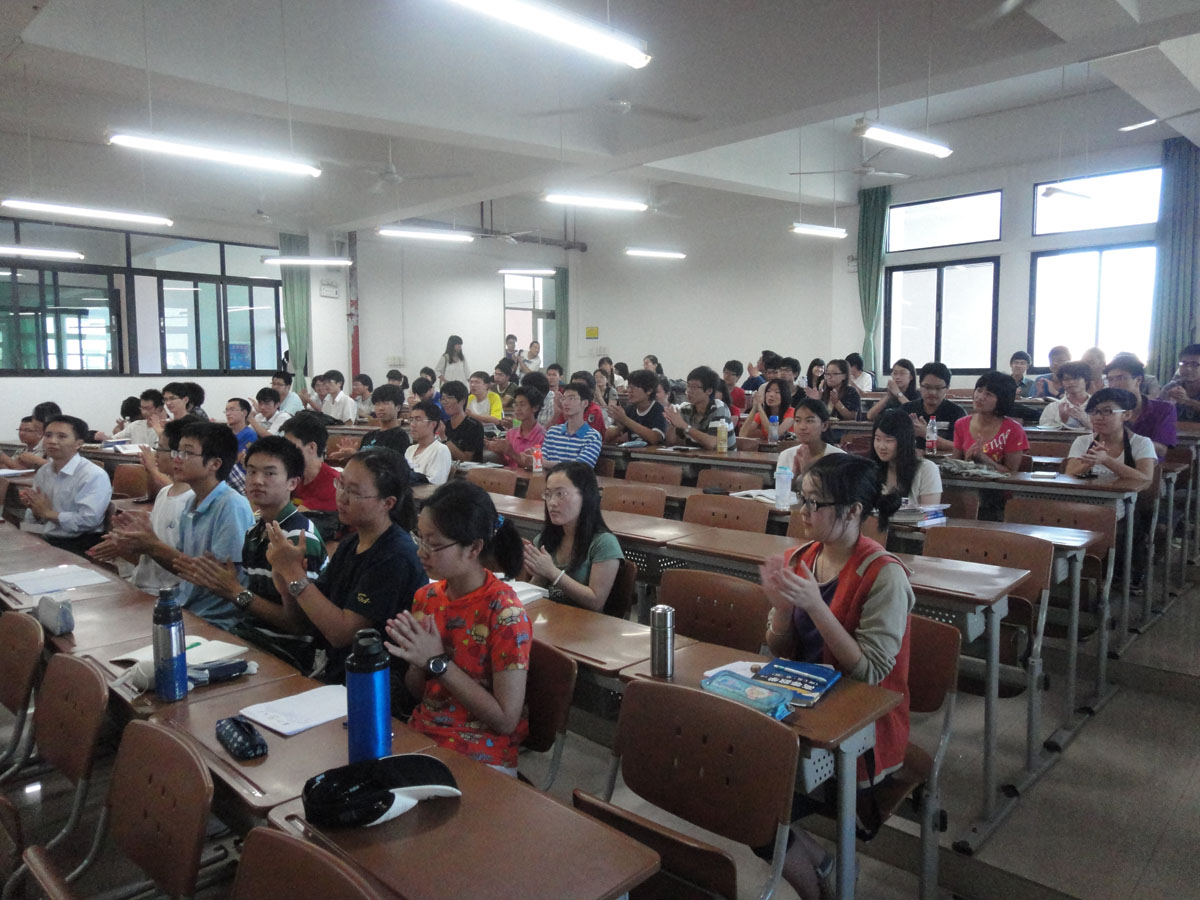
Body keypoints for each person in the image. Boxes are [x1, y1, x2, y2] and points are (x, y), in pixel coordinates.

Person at [760, 453, 913, 899]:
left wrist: (814, 606)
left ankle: (819, 888)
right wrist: (783, 611)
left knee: (750, 798)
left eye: (815, 503)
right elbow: (781, 649)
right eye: (803, 500)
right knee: (733, 777)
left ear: (853, 511)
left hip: (861, 725)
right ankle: (822, 863)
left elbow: (870, 673)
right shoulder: (802, 557)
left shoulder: (884, 575)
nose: (803, 512)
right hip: (804, 706)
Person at [384, 480, 531, 772]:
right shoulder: (426, 597)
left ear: (473, 547)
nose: (421, 552)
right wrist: (417, 662)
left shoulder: (505, 613)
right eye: (419, 538)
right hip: (423, 735)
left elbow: (505, 720)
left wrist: (437, 662)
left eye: (434, 544)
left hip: (483, 753)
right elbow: (420, 694)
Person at [270, 447, 426, 690]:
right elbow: (304, 623)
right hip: (336, 675)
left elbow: (342, 634)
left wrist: (294, 574)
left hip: (374, 686)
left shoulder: (396, 555)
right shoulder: (352, 543)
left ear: (387, 503)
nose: (341, 497)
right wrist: (285, 582)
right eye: (340, 485)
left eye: (353, 492)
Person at [175, 435, 327, 670]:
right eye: (251, 472)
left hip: (284, 653)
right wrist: (230, 589)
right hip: (247, 638)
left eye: (270, 473)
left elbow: (299, 626)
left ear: (292, 483)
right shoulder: (254, 532)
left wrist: (234, 591)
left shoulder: (299, 538)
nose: (257, 480)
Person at [111, 421, 255, 628]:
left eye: (187, 453)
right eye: (177, 451)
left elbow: (215, 578)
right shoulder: (193, 502)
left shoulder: (231, 505)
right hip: (186, 607)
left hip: (216, 619)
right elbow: (181, 566)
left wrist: (152, 545)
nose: (177, 458)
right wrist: (142, 545)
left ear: (214, 464)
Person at [90, 416, 196, 591]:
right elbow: (149, 547)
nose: (155, 454)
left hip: (167, 592)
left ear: (178, 455)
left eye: (159, 448)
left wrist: (146, 545)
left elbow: (184, 564)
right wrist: (128, 543)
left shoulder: (194, 501)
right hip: (142, 583)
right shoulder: (165, 492)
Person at [524, 462, 624, 612]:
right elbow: (538, 589)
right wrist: (537, 574)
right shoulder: (545, 539)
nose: (552, 503)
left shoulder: (604, 543)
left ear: (585, 496)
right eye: (548, 494)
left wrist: (552, 572)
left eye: (561, 494)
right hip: (551, 618)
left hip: (587, 623)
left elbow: (596, 602)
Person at [19, 415, 111, 555]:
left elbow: (88, 520)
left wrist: (48, 513)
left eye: (61, 436)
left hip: (80, 543)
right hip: (47, 537)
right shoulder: (44, 472)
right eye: (48, 435)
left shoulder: (93, 475)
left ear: (78, 444)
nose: (52, 441)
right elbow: (35, 516)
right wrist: (34, 508)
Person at [953, 371, 1028, 474]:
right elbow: (955, 464)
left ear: (1002, 400)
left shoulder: (1014, 430)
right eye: (979, 390)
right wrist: (967, 462)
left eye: (988, 394)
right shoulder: (961, 424)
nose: (980, 397)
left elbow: (1012, 472)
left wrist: (983, 459)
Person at [1104, 353, 1176, 458]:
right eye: (1111, 380)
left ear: (1138, 380)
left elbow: (1161, 450)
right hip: (1112, 463)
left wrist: (1123, 435)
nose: (1114, 385)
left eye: (1121, 378)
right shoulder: (1106, 410)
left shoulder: (1164, 409)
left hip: (1150, 465)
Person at [870, 409, 942, 505]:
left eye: (888, 440)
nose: (881, 446)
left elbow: (930, 512)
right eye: (877, 439)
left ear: (904, 441)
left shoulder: (927, 469)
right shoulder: (870, 469)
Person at [280, 416, 339, 529]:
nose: (285, 453)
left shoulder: (334, 486)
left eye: (291, 447)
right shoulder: (292, 476)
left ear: (312, 447)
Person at [664, 365, 735, 450]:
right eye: (688, 385)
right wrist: (672, 423)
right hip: (696, 457)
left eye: (694, 387)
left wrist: (684, 426)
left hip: (722, 458)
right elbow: (671, 442)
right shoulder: (686, 409)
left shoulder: (719, 408)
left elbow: (712, 444)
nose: (689, 390)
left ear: (709, 391)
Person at [902, 362, 966, 454]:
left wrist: (927, 434)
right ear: (920, 385)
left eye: (938, 388)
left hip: (945, 461)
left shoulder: (957, 413)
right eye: (927, 387)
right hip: (912, 460)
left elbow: (961, 447)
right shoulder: (907, 409)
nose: (932, 392)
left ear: (947, 388)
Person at [778, 398, 844, 477]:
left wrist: (806, 472)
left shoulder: (839, 458)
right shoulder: (786, 455)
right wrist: (794, 475)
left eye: (809, 421)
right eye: (797, 420)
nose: (802, 427)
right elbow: (781, 485)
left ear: (824, 426)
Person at [542, 381, 603, 467]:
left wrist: (545, 463)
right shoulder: (552, 432)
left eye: (571, 398)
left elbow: (581, 468)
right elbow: (541, 460)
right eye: (563, 398)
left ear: (585, 403)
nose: (565, 403)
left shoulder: (592, 437)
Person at [485, 386, 546, 469]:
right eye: (516, 404)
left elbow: (534, 466)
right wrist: (499, 451)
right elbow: (507, 463)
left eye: (522, 405)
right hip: (509, 474)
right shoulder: (511, 433)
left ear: (535, 407)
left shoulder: (542, 435)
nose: (517, 409)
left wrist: (511, 452)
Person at [605, 369, 667, 445]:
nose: (629, 391)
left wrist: (625, 420)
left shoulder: (659, 410)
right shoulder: (628, 410)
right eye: (628, 387)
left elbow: (655, 439)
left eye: (633, 388)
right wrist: (619, 428)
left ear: (649, 391)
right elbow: (607, 437)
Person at [405, 400, 454, 485]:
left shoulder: (440, 450)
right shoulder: (410, 450)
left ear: (433, 424)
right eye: (411, 420)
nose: (412, 424)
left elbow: (435, 485)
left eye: (418, 419)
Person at [95, 389, 165, 444]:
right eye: (142, 408)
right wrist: (103, 437)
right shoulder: (135, 425)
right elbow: (114, 440)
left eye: (148, 408)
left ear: (159, 408)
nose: (144, 412)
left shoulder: (167, 426)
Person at [1038, 361, 1092, 429]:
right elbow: (1044, 431)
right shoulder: (1053, 407)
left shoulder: (1097, 406)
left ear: (1086, 380)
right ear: (1061, 382)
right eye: (1066, 379)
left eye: (1076, 378)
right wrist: (1063, 420)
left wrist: (1085, 422)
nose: (1071, 382)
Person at [440, 380, 485, 462]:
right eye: (443, 399)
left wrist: (444, 438)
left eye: (449, 398)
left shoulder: (474, 426)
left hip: (470, 469)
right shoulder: (446, 425)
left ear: (462, 401)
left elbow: (467, 459)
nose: (445, 402)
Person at [224, 397, 258, 494]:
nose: (228, 413)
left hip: (241, 477)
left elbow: (237, 458)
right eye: (226, 410)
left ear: (244, 413)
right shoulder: (227, 434)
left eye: (232, 410)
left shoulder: (249, 434)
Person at [1163, 343, 1200, 423]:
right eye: (1183, 363)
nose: (1188, 368)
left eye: (1195, 364)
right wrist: (1167, 400)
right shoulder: (1171, 387)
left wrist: (1187, 401)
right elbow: (1157, 414)